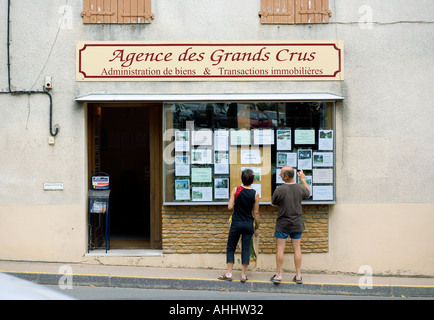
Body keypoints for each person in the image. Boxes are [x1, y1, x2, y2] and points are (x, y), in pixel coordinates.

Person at [270, 166, 310, 284]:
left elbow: (273, 203)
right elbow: (308, 193)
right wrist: (302, 179)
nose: (279, 175)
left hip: (283, 223)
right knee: (297, 249)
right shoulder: (300, 188)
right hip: (297, 223)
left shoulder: (280, 189)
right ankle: (298, 276)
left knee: (280, 249)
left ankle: (279, 275)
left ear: (286, 176)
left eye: (281, 174)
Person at [218, 169, 260, 283]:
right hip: (248, 224)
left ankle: (229, 273)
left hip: (236, 223)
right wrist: (257, 227)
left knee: (231, 247)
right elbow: (256, 213)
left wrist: (233, 197)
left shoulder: (236, 190)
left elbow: (230, 207)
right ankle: (243, 275)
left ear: (242, 178)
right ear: (252, 180)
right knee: (246, 248)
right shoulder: (255, 194)